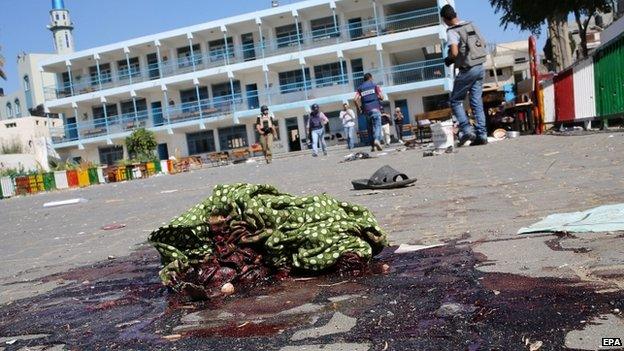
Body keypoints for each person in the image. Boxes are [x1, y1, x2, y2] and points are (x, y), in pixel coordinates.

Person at [441, 4, 489, 146]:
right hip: (480, 66)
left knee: (455, 101)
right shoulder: (470, 25)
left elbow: (454, 52)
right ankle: (482, 135)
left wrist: (449, 59)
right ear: (455, 14)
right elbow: (483, 43)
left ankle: (467, 129)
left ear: (444, 19)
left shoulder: (452, 31)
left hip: (467, 69)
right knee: (476, 102)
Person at [355, 73, 384, 152]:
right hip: (375, 108)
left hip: (366, 111)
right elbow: (382, 97)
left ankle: (372, 146)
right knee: (377, 126)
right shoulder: (375, 86)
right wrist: (378, 97)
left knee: (369, 128)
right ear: (370, 78)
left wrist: (359, 109)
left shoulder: (360, 88)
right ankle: (377, 140)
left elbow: (355, 99)